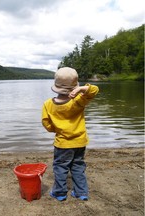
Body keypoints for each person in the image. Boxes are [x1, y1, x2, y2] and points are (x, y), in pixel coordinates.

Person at [41, 67, 99, 201]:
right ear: (74, 86)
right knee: (78, 166)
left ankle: (59, 193)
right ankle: (81, 193)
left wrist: (56, 129)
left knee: (60, 167)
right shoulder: (78, 100)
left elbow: (46, 123)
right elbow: (94, 90)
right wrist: (81, 89)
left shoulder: (48, 104)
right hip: (80, 142)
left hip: (63, 143)